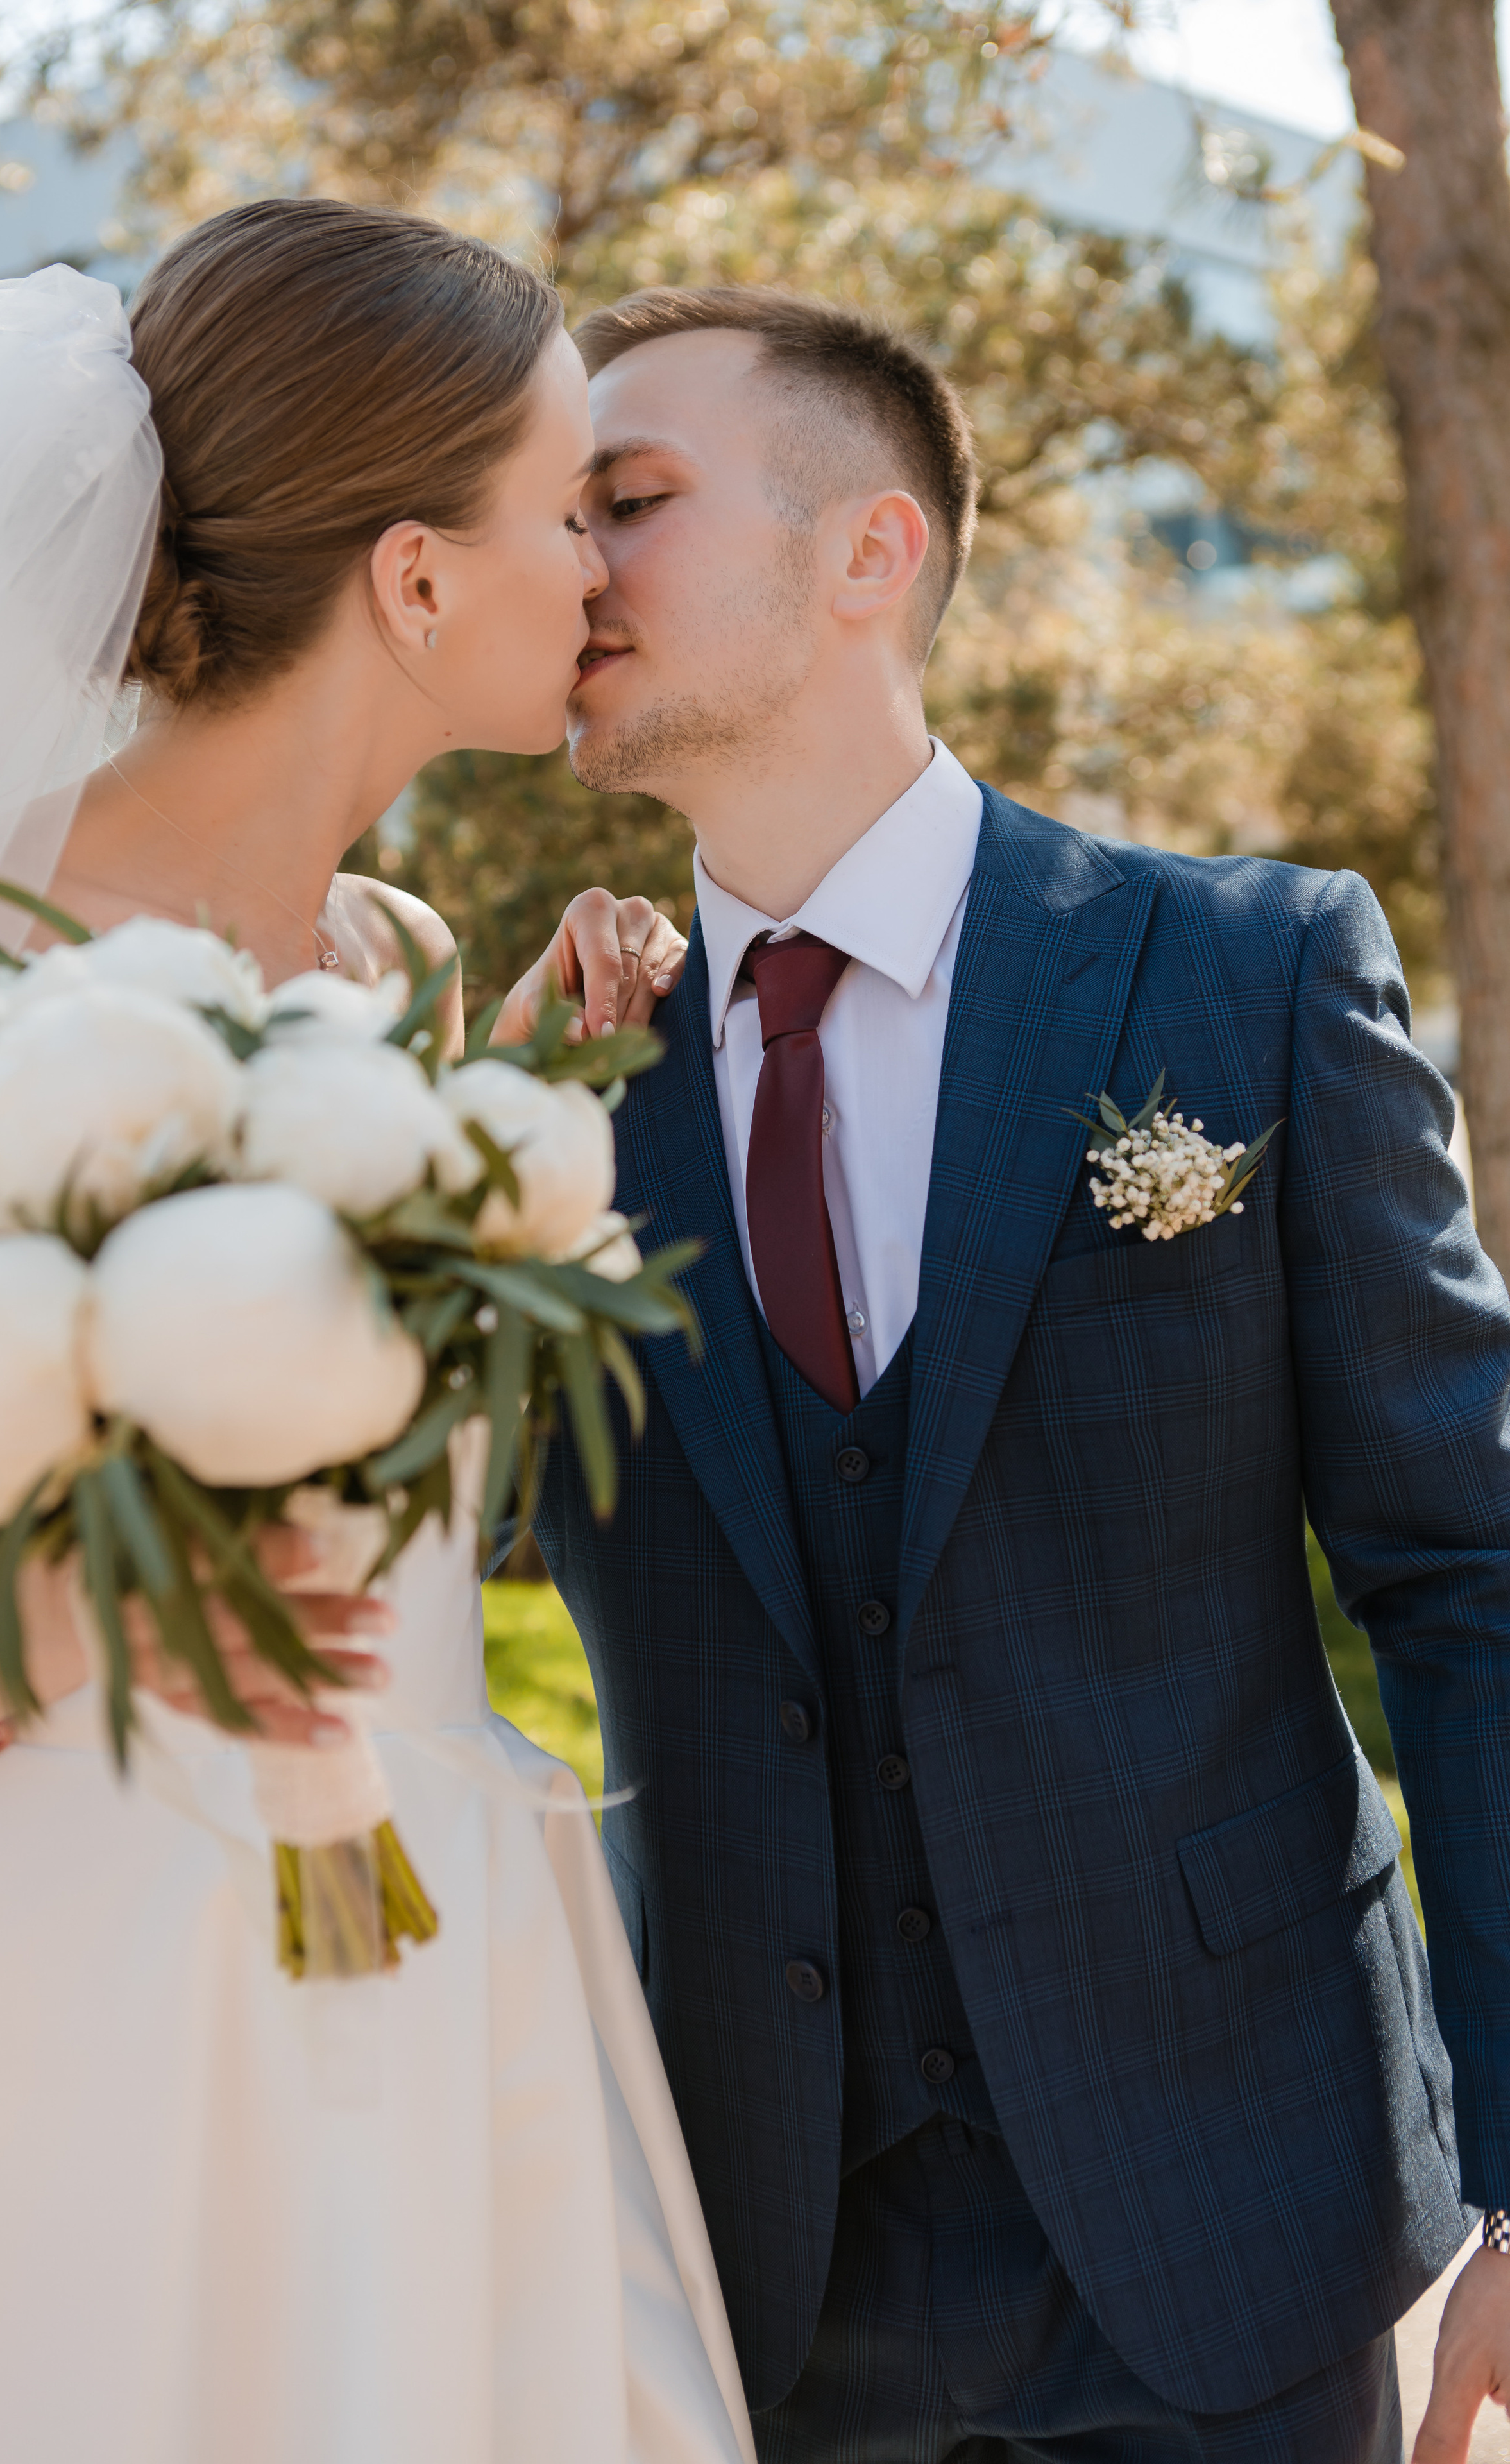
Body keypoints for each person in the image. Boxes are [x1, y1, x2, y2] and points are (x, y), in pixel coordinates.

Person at [525, 285, 1510, 2463]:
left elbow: (1475, 1580)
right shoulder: (546, 1102)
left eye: (632, 499)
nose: (570, 561)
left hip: (1236, 2218)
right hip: (750, 2268)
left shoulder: (1247, 974)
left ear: (869, 551)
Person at [0, 205, 756, 2464]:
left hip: (415, 1944)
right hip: (69, 1991)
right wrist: (126, 1600)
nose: (603, 575)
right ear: (417, 578)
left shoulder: (393, 963)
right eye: (569, 510)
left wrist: (508, 1132)